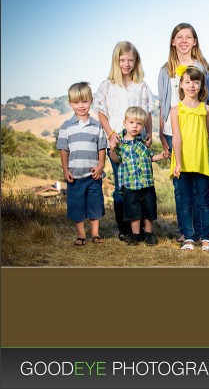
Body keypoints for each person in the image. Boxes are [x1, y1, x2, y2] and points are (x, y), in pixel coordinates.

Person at [158, 23, 209, 242]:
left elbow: (207, 100)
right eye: (179, 37)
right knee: (180, 185)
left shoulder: (204, 69)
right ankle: (186, 231)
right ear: (173, 41)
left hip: (195, 128)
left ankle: (200, 231)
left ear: (194, 41)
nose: (183, 41)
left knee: (198, 186)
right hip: (173, 128)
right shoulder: (166, 71)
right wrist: (162, 132)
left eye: (188, 37)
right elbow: (163, 102)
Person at [93, 41, 154, 241]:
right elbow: (102, 113)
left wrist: (150, 133)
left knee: (142, 186)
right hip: (118, 143)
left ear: (136, 61)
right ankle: (125, 227)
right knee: (122, 186)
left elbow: (148, 112)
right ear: (116, 61)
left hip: (138, 142)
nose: (126, 64)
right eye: (122, 60)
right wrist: (111, 134)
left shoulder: (141, 85)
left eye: (130, 60)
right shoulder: (107, 86)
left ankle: (144, 228)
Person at [171, 66, 209, 251]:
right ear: (181, 85)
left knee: (204, 201)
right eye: (188, 81)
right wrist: (178, 162)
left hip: (201, 161)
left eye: (196, 81)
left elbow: (207, 134)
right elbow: (176, 137)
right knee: (185, 202)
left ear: (201, 85)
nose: (192, 85)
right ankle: (189, 238)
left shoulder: (206, 109)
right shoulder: (176, 110)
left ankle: (206, 238)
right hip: (183, 162)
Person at [108, 106, 168, 245]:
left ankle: (148, 233)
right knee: (133, 211)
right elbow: (116, 160)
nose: (135, 126)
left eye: (139, 124)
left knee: (148, 210)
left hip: (146, 183)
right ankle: (135, 235)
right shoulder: (120, 144)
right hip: (130, 185)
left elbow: (150, 158)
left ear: (143, 126)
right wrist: (111, 151)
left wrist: (162, 156)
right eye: (131, 122)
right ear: (125, 123)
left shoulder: (143, 143)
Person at [57, 82, 106, 246]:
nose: (81, 106)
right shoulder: (66, 127)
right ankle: (80, 235)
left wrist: (100, 166)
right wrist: (65, 170)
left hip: (93, 175)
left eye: (84, 101)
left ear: (90, 101)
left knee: (94, 204)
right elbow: (63, 150)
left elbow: (102, 148)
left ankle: (95, 233)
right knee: (76, 205)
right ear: (70, 103)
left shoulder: (97, 126)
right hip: (75, 175)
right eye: (77, 102)